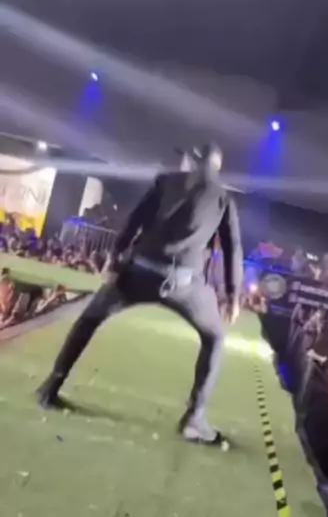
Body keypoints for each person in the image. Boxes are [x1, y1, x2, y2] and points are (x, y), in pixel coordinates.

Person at [36, 142, 243, 446]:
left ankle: (50, 388)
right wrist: (233, 295)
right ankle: (194, 419)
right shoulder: (224, 199)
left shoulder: (166, 181)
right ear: (217, 166)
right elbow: (232, 248)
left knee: (89, 318)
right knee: (214, 338)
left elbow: (134, 219)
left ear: (193, 160)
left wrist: (114, 257)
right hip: (184, 284)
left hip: (138, 271)